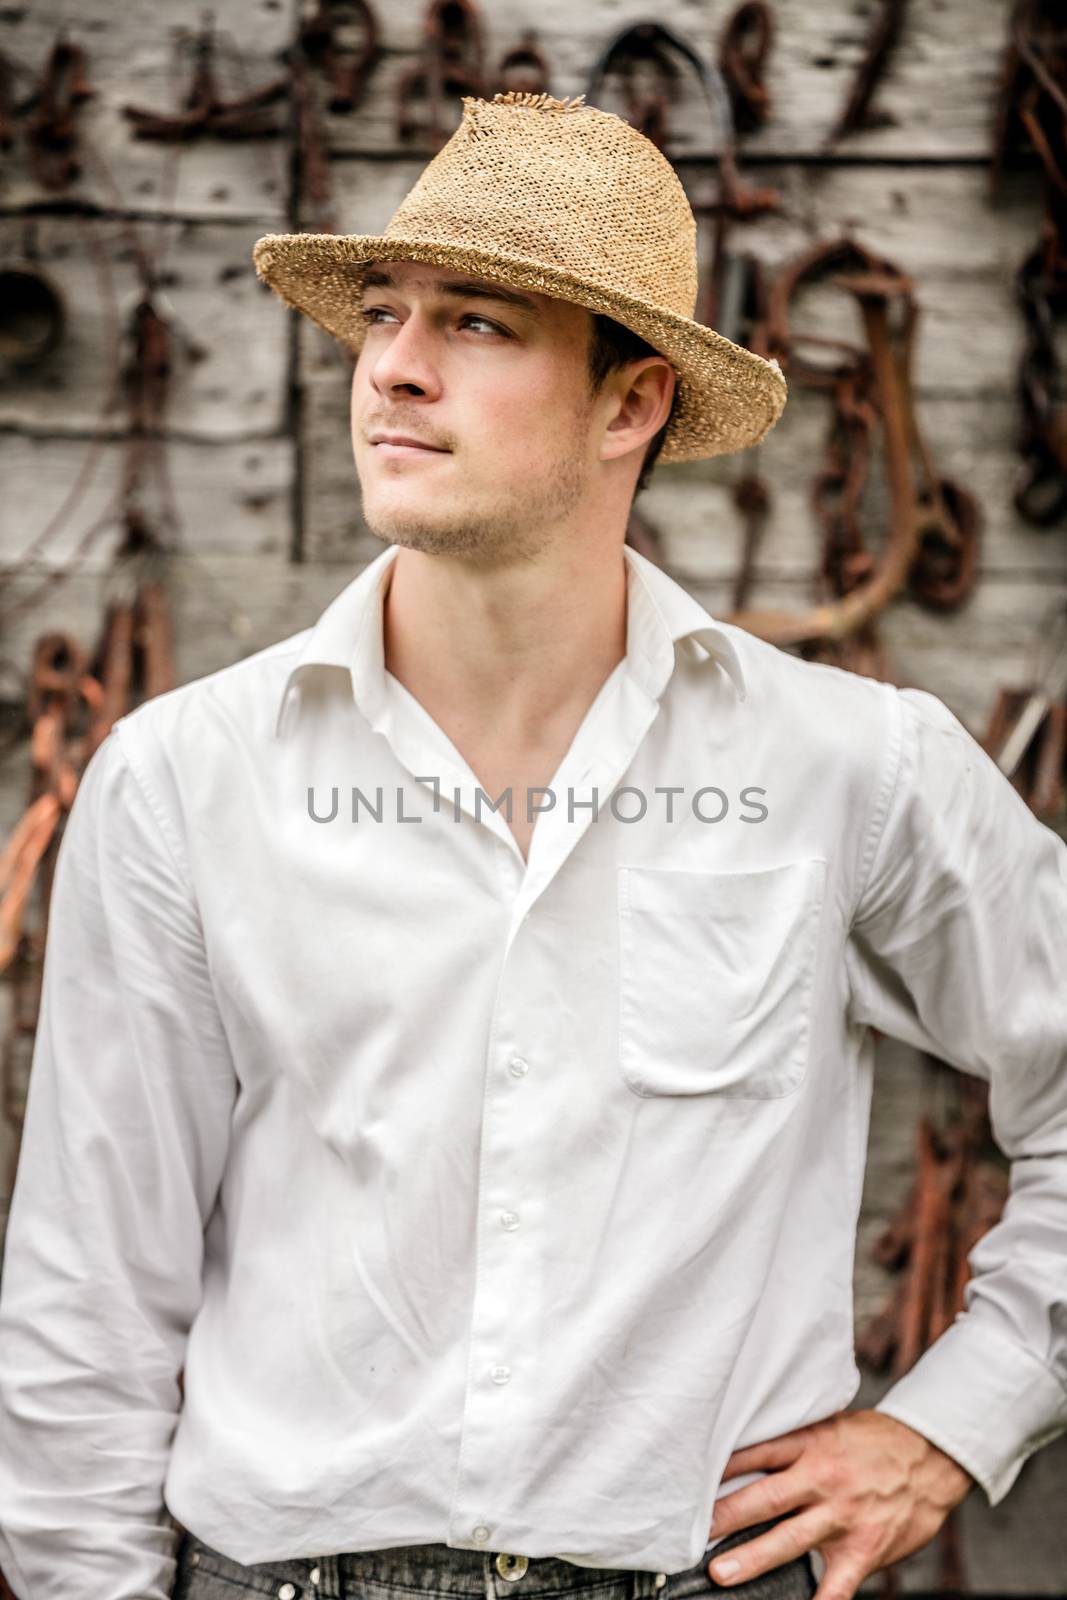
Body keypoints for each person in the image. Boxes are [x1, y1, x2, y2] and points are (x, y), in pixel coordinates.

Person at [0, 88, 1064, 1600]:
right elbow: (91, 1298)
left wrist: (956, 1424)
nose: (395, 371)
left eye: (480, 326)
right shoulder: (184, 780)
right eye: (383, 313)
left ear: (630, 405)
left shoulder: (848, 771)